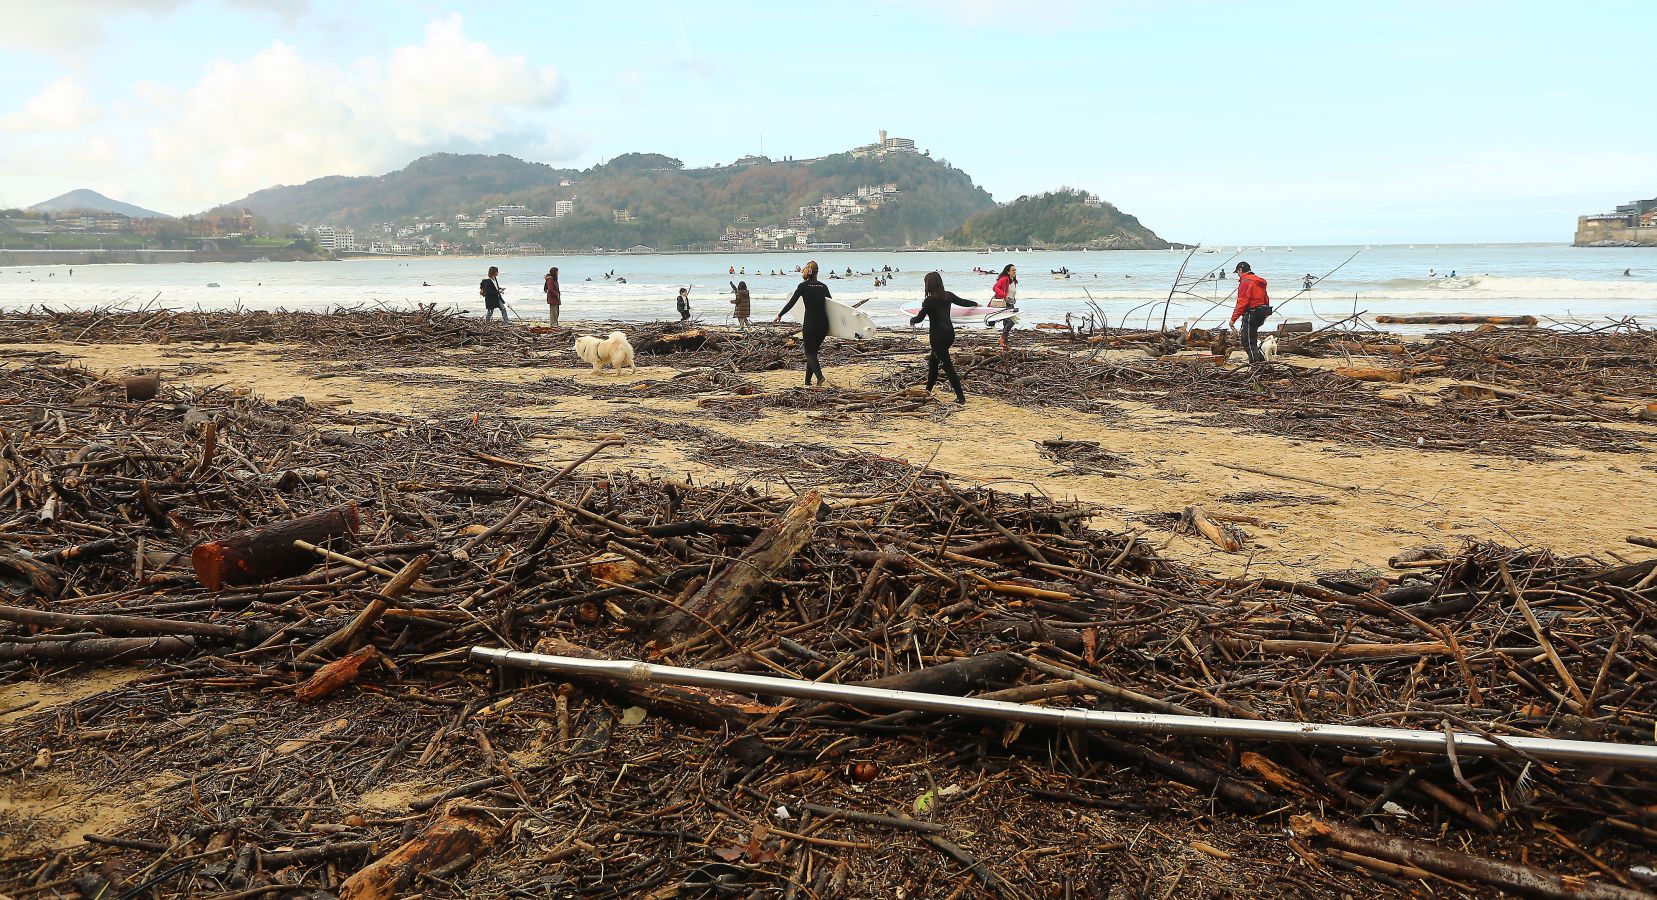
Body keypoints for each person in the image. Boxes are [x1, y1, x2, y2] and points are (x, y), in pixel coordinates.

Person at [911, 271, 978, 404]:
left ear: (928, 285)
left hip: (937, 338)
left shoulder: (929, 301)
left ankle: (961, 397)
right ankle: (927, 391)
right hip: (949, 335)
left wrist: (911, 319)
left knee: (947, 367)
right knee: (933, 364)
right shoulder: (948, 296)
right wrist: (975, 304)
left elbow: (919, 319)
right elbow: (963, 302)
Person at [776, 260, 831, 386]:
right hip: (823, 325)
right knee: (812, 353)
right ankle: (807, 381)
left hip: (810, 324)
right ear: (817, 272)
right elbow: (832, 306)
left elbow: (792, 302)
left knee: (809, 353)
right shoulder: (823, 286)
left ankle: (820, 376)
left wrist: (780, 314)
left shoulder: (803, 286)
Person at [1229, 261, 1272, 363]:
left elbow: (1242, 302)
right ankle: (1262, 363)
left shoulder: (1246, 281)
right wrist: (1265, 314)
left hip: (1251, 313)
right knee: (1252, 340)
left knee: (1247, 341)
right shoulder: (1259, 281)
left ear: (1240, 270)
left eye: (1238, 272)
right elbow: (1266, 298)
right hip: (1262, 311)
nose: (1238, 275)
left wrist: (1233, 320)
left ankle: (1255, 366)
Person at [989, 263, 1018, 349]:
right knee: (1012, 321)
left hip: (1010, 303)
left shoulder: (1014, 281)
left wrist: (1013, 299)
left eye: (1015, 270)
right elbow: (995, 288)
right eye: (1013, 270)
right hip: (1004, 304)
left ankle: (1005, 341)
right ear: (1008, 272)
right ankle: (1002, 338)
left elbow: (1011, 293)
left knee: (1006, 323)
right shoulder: (1004, 279)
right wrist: (1004, 295)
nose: (1015, 271)